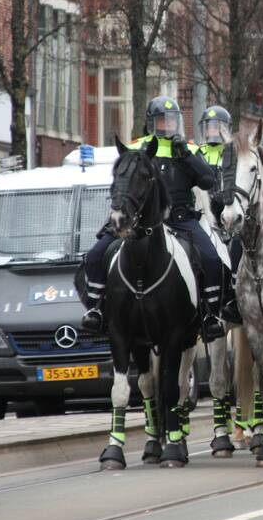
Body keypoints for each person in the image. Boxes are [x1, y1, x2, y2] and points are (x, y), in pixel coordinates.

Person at [81, 97, 224, 342]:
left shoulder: (189, 149)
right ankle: (95, 309)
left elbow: (208, 181)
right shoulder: (137, 147)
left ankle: (211, 316)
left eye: (172, 120)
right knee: (96, 254)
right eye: (162, 121)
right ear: (151, 123)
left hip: (180, 219)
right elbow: (122, 180)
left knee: (212, 258)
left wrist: (186, 157)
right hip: (138, 221)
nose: (168, 125)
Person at [196, 105, 245, 325]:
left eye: (219, 127)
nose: (214, 131)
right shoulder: (198, 153)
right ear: (204, 130)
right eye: (210, 126)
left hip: (229, 215)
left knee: (238, 249)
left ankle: (233, 295)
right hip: (205, 216)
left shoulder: (233, 154)